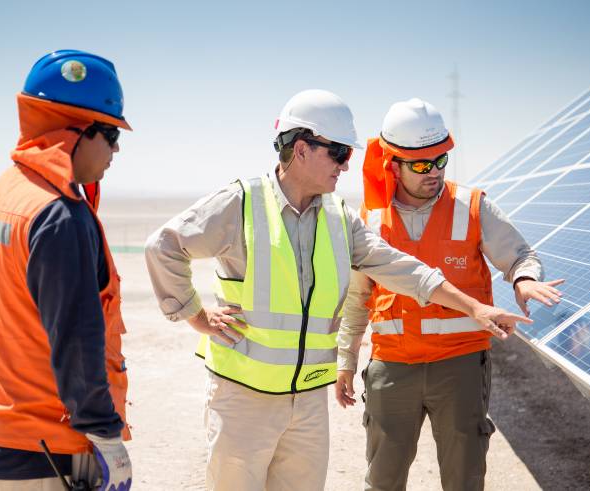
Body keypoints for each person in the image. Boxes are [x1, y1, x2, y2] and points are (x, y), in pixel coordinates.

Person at [144, 89, 532, 491]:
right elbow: (164, 246)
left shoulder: (339, 218)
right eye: (339, 153)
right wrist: (196, 316)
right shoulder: (241, 202)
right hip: (245, 400)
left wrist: (476, 308)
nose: (347, 166)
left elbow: (407, 271)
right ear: (301, 149)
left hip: (308, 403)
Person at [334, 98, 565, 491]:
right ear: (393, 163)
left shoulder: (473, 206)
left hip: (459, 367)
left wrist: (523, 279)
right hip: (393, 368)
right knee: (383, 479)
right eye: (422, 164)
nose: (434, 172)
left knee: (464, 478)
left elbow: (521, 255)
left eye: (440, 160)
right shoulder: (369, 220)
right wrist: (346, 358)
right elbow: (358, 299)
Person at [0, 50, 133, 491]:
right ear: (76, 131)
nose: (115, 150)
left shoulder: (6, 192)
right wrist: (105, 434)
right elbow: (77, 339)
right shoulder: (59, 214)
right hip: (47, 450)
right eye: (111, 134)